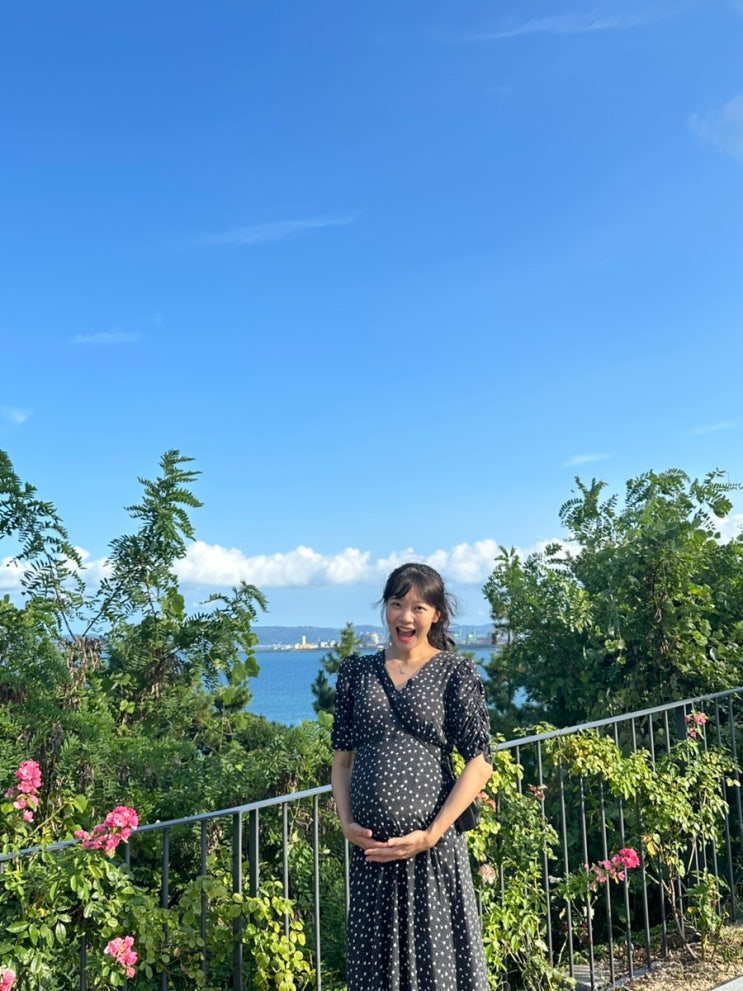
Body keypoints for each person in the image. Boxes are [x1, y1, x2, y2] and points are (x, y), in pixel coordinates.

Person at [331, 562, 493, 991]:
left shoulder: (454, 673)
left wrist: (431, 834)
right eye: (396, 604)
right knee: (376, 972)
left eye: (418, 607)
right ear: (385, 608)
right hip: (372, 857)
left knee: (436, 970)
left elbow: (479, 762)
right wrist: (346, 823)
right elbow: (342, 762)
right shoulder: (356, 673)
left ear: (436, 614)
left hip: (431, 854)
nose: (405, 617)